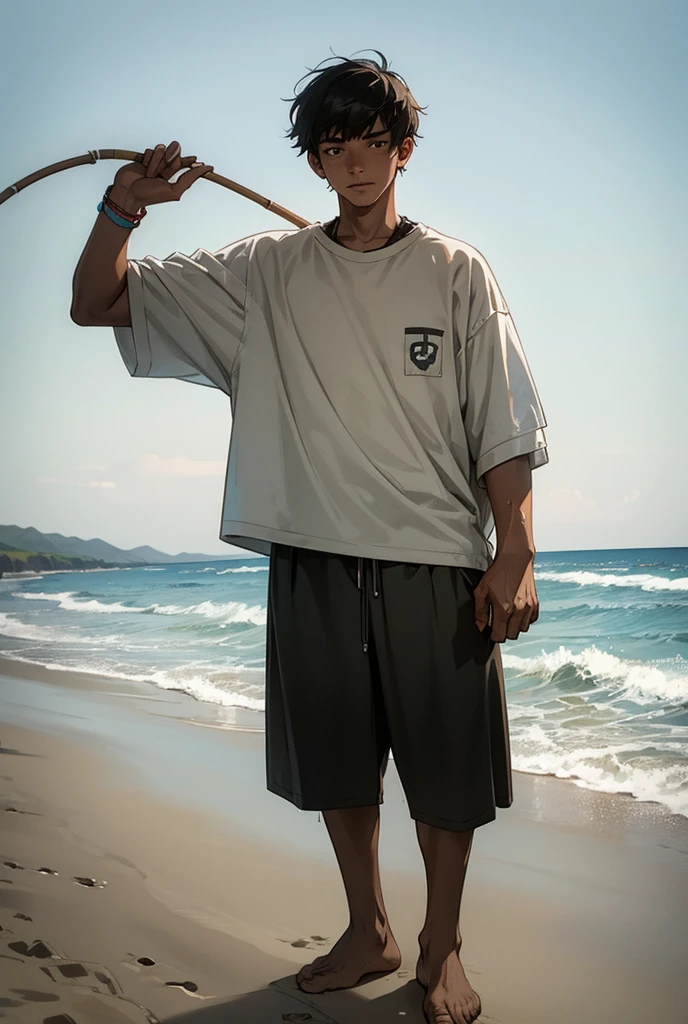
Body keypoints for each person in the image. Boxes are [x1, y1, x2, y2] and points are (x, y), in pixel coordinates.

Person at [71, 49, 548, 1024]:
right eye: (335, 146)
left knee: (446, 767)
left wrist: (516, 551)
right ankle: (367, 926)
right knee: (337, 758)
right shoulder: (264, 271)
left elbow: (502, 421)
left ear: (404, 150)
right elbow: (97, 302)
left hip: (436, 558)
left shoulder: (455, 270)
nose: (357, 163)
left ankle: (440, 948)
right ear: (314, 161)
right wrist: (123, 207)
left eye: (374, 142)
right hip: (312, 553)